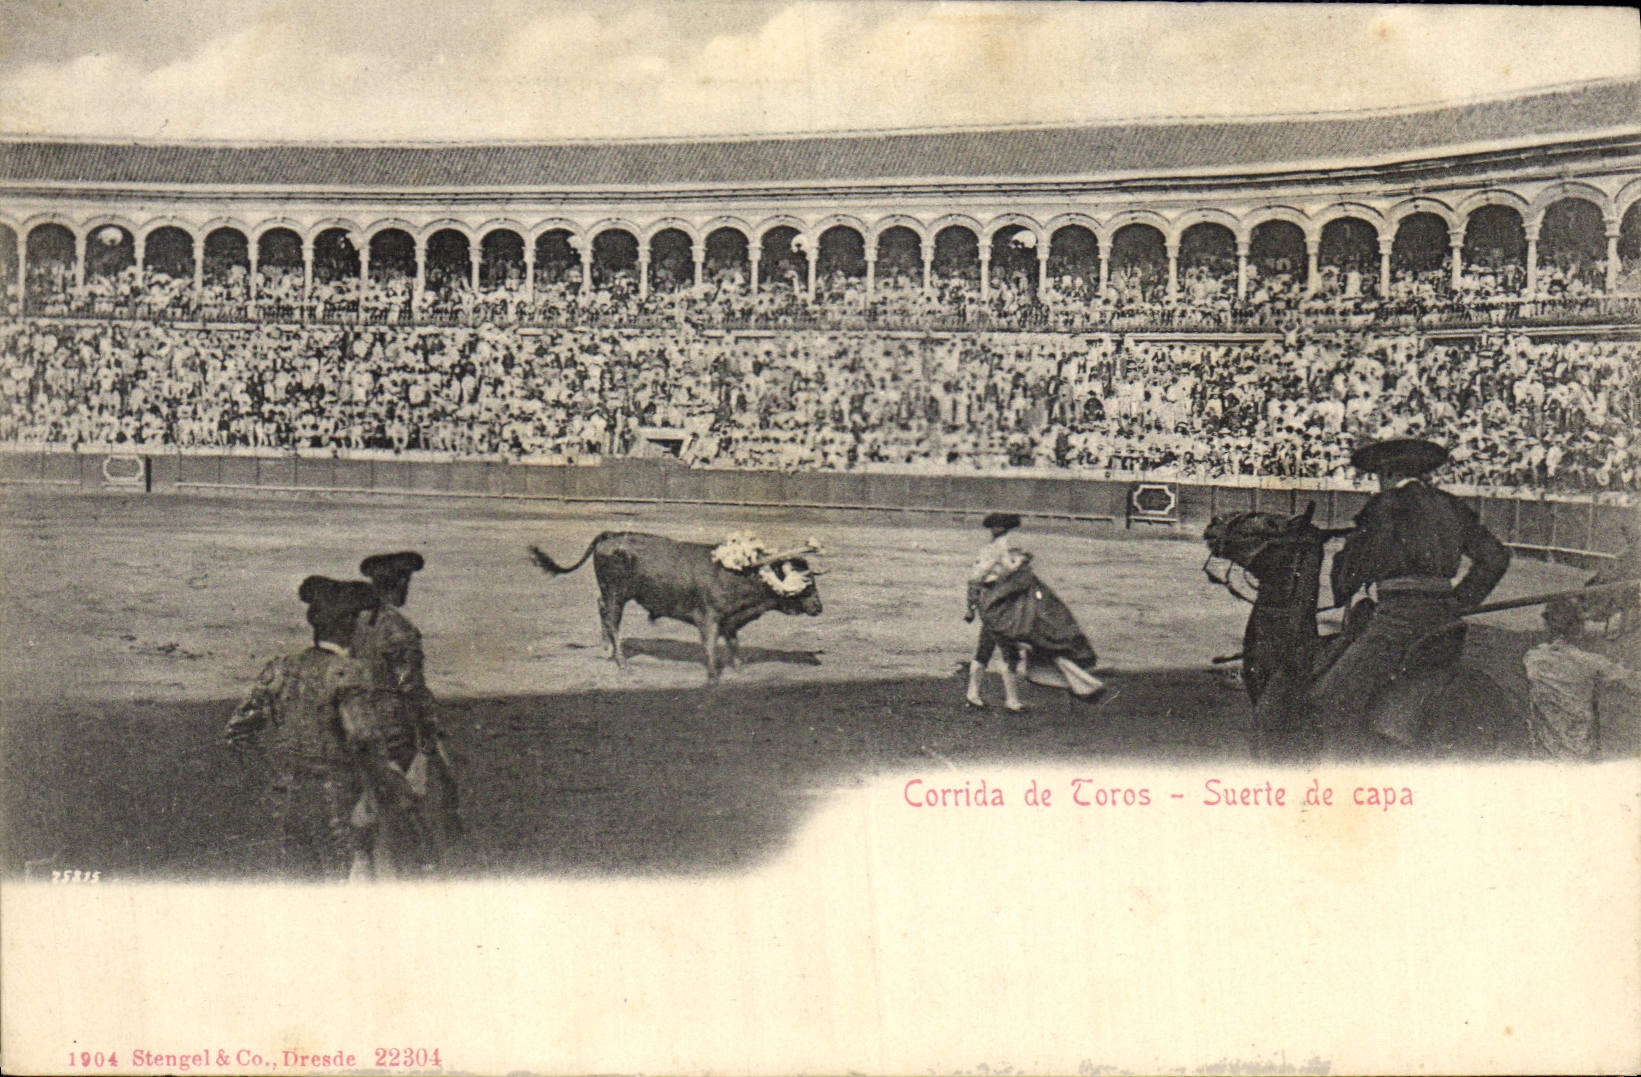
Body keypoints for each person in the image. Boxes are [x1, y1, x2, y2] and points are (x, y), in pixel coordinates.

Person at [1312, 437, 1512, 753]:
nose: (1379, 483)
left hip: (1396, 621)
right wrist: (1460, 601)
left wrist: (1345, 582)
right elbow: (1496, 557)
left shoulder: (1384, 505)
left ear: (1389, 473)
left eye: (1378, 476)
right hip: (1446, 622)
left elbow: (1349, 571)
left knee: (1332, 696)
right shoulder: (1451, 505)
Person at [224, 576, 387, 880]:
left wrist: (273, 780)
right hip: (340, 801)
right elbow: (363, 737)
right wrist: (385, 790)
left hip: (292, 799)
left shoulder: (280, 668)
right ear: (349, 622)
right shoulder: (347, 671)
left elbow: (238, 732)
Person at [354, 550, 462, 869]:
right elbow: (411, 687)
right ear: (401, 583)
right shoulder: (399, 630)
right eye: (406, 581)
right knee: (418, 801)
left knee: (369, 803)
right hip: (395, 728)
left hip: (359, 723)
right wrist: (428, 740)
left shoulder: (357, 624)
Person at [964, 512, 1104, 709]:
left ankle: (974, 695)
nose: (996, 530)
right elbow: (1000, 574)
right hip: (1001, 605)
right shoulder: (1003, 549)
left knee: (986, 648)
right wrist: (1020, 563)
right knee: (1008, 650)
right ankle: (1010, 700)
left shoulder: (991, 549)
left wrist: (971, 606)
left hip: (991, 603)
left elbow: (975, 579)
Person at [1522, 598, 1641, 759]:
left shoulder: (1532, 658)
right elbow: (1634, 681)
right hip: (1580, 748)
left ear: (1548, 625)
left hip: (1545, 749)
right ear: (1578, 628)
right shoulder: (1591, 662)